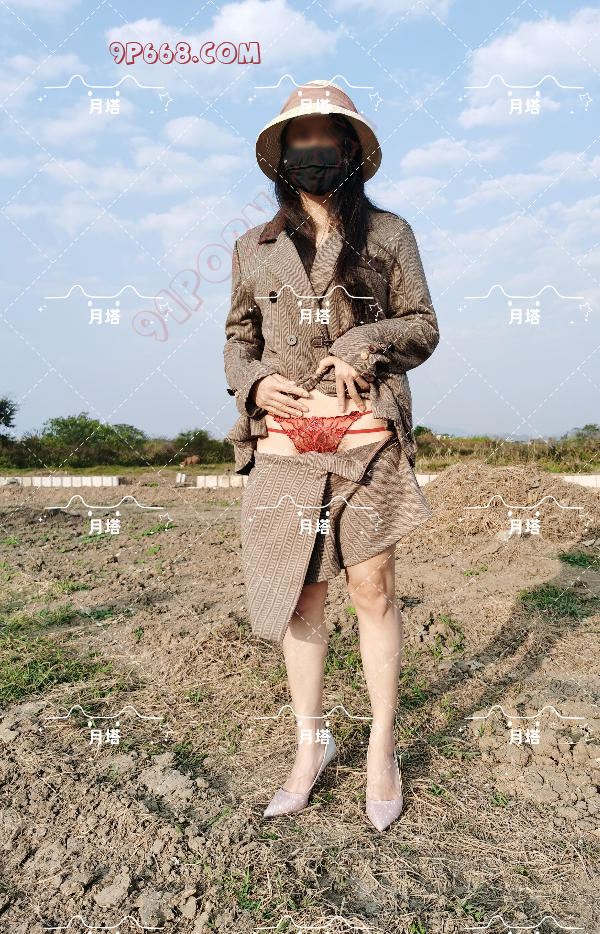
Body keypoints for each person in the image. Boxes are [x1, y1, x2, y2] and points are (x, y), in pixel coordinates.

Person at [223, 79, 439, 831]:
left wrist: (361, 343)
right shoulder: (254, 249)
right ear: (283, 156)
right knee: (301, 595)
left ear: (350, 150)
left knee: (373, 588)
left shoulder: (390, 235)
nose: (314, 151)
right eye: (301, 139)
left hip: (365, 436)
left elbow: (423, 324)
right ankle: (310, 749)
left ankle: (381, 748)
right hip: (286, 444)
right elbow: (237, 339)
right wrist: (254, 383)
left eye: (328, 138)